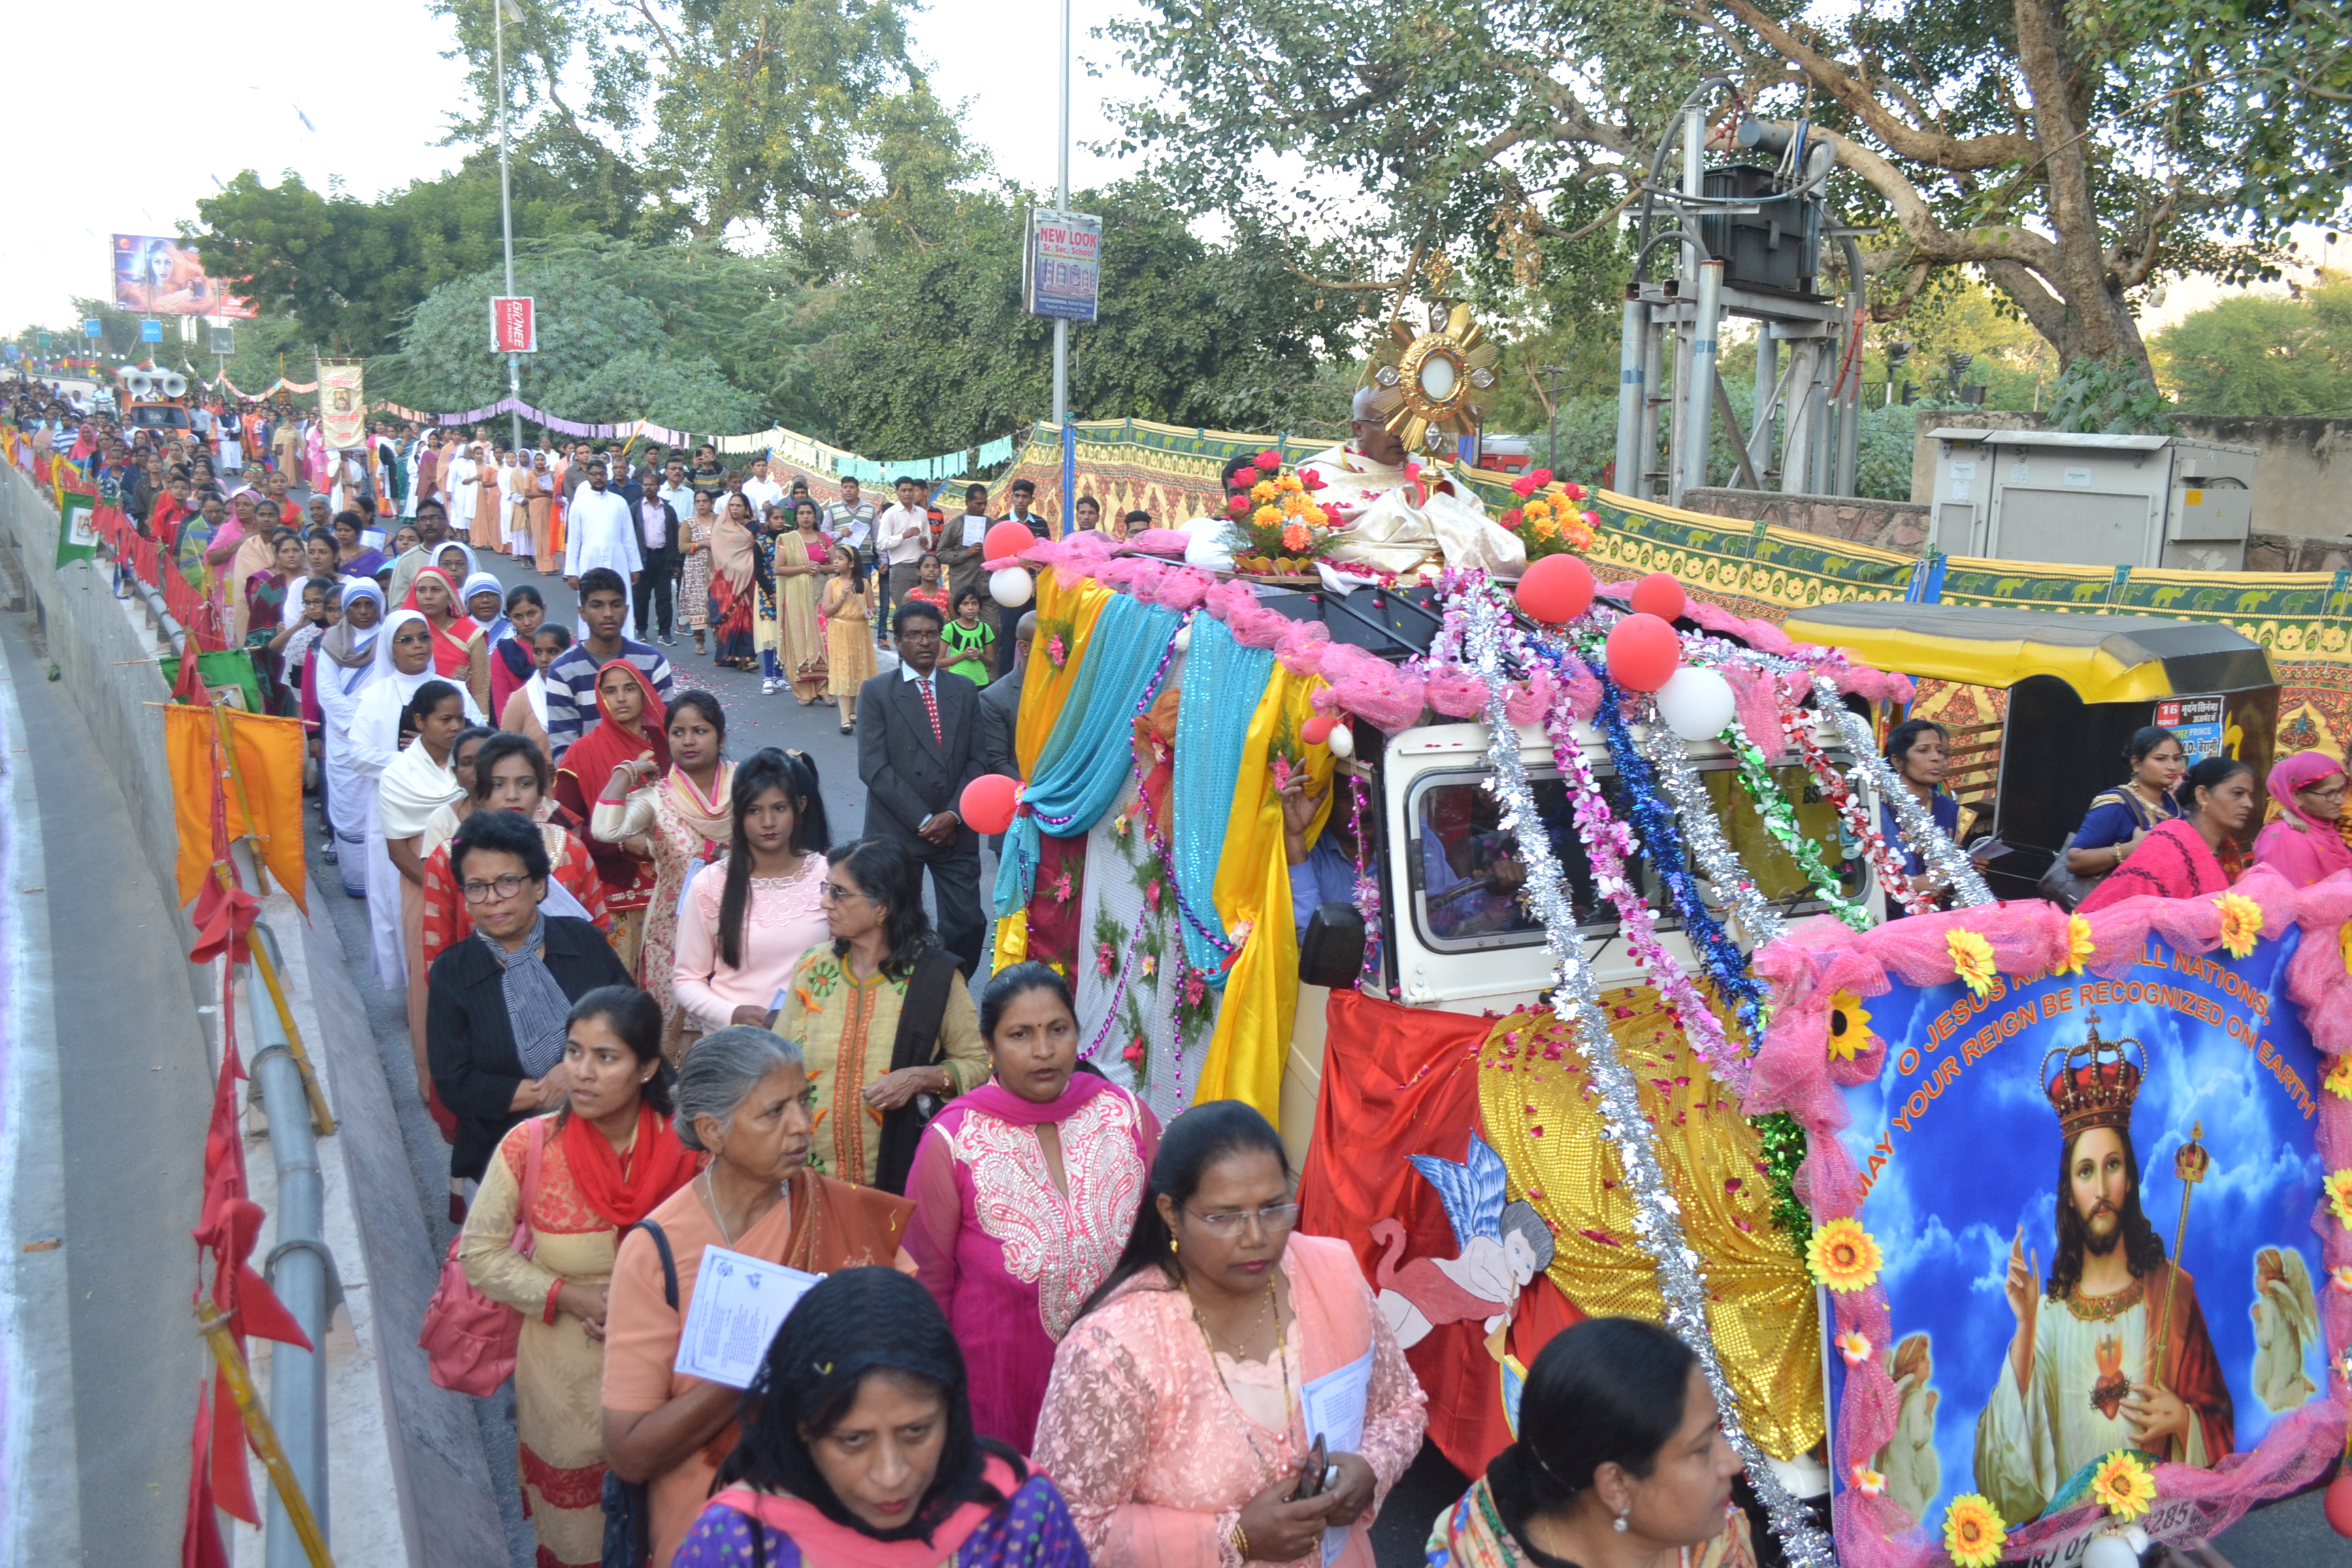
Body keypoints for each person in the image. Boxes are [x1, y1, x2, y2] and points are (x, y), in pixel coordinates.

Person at [1032, 1100, 1427, 1568]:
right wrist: (1232, 1540)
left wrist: (1370, 1468)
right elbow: (1066, 1526)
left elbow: (1402, 1405)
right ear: (1171, 1213)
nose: (1256, 1236)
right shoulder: (1115, 1349)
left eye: (1273, 1207)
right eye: (1225, 1216)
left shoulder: (1332, 1275)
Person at [600, 1028, 919, 1568]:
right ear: (712, 1132)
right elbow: (630, 1451)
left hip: (837, 1524)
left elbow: (913, 1350)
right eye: (773, 1113)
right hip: (709, 1531)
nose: (801, 1126)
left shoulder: (839, 1214)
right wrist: (762, 1366)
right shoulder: (656, 1251)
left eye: (803, 1101)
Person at [455, 985, 698, 1565]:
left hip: (672, 1378)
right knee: (579, 1538)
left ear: (646, 1069)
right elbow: (480, 1252)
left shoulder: (693, 1152)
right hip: (565, 1382)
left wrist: (649, 1305)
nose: (582, 1073)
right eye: (573, 1052)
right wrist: (569, 1296)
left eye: (605, 1057)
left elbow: (726, 1256)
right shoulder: (530, 1146)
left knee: (673, 1528)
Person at [1973, 1012, 2232, 1522]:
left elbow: (2222, 1425)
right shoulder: (2046, 1316)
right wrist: (2025, 1328)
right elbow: (2002, 1484)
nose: (2100, 1188)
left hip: (2157, 1531)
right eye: (2085, 1171)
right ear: (2069, 1193)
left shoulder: (2172, 1295)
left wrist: (2185, 1420)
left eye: (2112, 1166)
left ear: (2129, 1180)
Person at [670, 1267, 1091, 1568]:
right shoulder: (740, 1540)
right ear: (802, 1427)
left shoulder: (1017, 1517)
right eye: (853, 1440)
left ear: (953, 1412)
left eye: (917, 1431)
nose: (891, 1475)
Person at [906, 964, 1160, 1450]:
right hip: (1000, 1386)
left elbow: (1171, 1236)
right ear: (989, 1044)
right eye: (1020, 1034)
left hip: (1124, 1371)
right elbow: (927, 1280)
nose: (1044, 1051)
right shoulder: (953, 1140)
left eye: (1058, 1030)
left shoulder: (1123, 1115)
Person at [428, 810, 639, 1208]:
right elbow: (455, 1083)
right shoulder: (453, 973)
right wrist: (553, 1091)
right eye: (476, 887)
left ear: (540, 885)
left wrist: (573, 1073)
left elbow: (635, 1026)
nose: (492, 898)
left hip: (612, 1142)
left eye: (507, 882)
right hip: (505, 1157)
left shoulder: (583, 943)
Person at [1423, 1318, 1752, 1568]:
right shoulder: (1476, 1555)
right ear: (1617, 1485)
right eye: (1702, 1449)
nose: (1733, 1463)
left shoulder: (1714, 1543)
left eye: (1715, 1434)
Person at [775, 837, 990, 1190]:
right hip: (808, 1178)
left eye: (840, 893)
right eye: (826, 888)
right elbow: (776, 1060)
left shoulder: (935, 976)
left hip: (898, 1179)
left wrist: (921, 1078)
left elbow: (978, 1065)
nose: (825, 902)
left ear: (882, 907)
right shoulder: (813, 967)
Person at [590, 691, 737, 1055]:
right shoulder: (658, 797)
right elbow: (605, 830)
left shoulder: (747, 788)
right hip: (672, 938)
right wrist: (627, 772)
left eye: (700, 730)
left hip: (738, 933)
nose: (688, 741)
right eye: (677, 732)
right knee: (673, 1054)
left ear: (720, 737)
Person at [856, 603, 988, 975]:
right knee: (893, 927)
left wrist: (952, 815)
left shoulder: (963, 690)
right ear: (897, 643)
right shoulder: (877, 692)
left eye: (931, 634)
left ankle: (950, 993)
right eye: (913, 635)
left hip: (956, 829)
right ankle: (899, 999)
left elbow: (978, 761)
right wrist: (925, 819)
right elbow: (874, 768)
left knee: (967, 924)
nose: (924, 642)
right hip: (897, 828)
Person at [671, 749, 831, 1052]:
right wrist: (732, 1014)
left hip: (816, 1045)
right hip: (734, 1050)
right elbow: (686, 979)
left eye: (779, 808)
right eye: (754, 811)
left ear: (801, 808)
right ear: (738, 814)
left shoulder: (828, 877)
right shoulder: (710, 884)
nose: (768, 822)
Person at [421, 733, 610, 976]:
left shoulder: (569, 849)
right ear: (480, 792)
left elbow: (598, 930)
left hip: (570, 988)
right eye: (498, 784)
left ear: (541, 791)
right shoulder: (448, 858)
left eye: (525, 783)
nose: (512, 795)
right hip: (481, 990)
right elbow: (437, 950)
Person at [557, 662, 670, 975]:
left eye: (629, 688)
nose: (620, 698)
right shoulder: (581, 753)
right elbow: (563, 831)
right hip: (614, 891)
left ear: (644, 692)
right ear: (600, 697)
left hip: (671, 886)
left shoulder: (670, 744)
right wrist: (622, 844)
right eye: (610, 691)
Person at [2076, 756, 2257, 913]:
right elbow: (2128, 914)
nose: (2248, 803)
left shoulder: (2230, 851)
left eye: (2249, 795)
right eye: (2238, 794)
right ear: (2202, 795)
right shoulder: (2169, 843)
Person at [542, 569, 677, 754]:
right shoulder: (562, 671)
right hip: (590, 777)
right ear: (582, 612)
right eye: (597, 606)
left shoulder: (652, 662)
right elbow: (564, 749)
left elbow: (667, 732)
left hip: (652, 774)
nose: (608, 614)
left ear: (627, 610)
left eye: (615, 605)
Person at [315, 581, 389, 894]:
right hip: (345, 739)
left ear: (379, 606)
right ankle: (357, 879)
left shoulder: (389, 639)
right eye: (356, 605)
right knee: (350, 811)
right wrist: (357, 724)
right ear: (346, 608)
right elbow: (328, 692)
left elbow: (390, 685)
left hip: (379, 736)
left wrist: (371, 722)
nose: (362, 612)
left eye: (369, 605)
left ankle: (385, 881)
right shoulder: (331, 642)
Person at [2064, 727, 2187, 878]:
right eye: (2160, 759)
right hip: (2123, 899)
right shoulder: (2116, 804)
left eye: (2176, 758)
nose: (2172, 766)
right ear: (2136, 764)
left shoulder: (2176, 806)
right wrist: (2130, 849)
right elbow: (2074, 860)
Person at [1878, 718, 1961, 916]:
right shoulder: (1876, 807)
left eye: (1942, 752)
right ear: (1897, 761)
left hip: (1937, 917)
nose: (1936, 759)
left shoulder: (1948, 807)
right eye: (1923, 750)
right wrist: (1911, 883)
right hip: (1885, 918)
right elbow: (1856, 873)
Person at [563, 460, 646, 635]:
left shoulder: (619, 502)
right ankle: (588, 642)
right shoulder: (579, 504)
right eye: (594, 474)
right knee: (589, 601)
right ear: (588, 477)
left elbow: (629, 538)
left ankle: (625, 641)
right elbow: (574, 540)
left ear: (607, 477)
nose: (598, 478)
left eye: (602, 474)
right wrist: (571, 571)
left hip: (618, 561)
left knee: (620, 599)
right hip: (589, 561)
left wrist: (635, 567)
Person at [2251, 749, 2352, 887]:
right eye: (2329, 793)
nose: (2340, 801)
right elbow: (2290, 903)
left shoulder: (2325, 826)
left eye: (2342, 790)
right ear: (2295, 797)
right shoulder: (2289, 837)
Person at [778, 498, 832, 704]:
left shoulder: (824, 538)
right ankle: (805, 692)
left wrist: (821, 568)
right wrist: (804, 569)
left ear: (815, 515)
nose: (806, 517)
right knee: (800, 643)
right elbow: (779, 569)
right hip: (796, 598)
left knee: (822, 643)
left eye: (809, 513)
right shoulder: (788, 539)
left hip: (820, 596)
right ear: (796, 517)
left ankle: (824, 689)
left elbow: (834, 566)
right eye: (801, 513)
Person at [820, 544, 877, 734]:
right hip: (840, 628)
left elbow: (872, 607)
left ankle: (852, 711)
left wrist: (870, 612)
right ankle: (844, 718)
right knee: (844, 670)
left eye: (840, 559)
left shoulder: (864, 583)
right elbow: (827, 611)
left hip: (859, 629)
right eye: (835, 558)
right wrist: (843, 597)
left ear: (852, 564)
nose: (835, 562)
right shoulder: (832, 584)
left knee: (856, 667)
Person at [706, 492, 762, 676]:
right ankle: (727, 656)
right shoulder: (722, 527)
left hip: (748, 577)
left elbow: (761, 550)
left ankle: (746, 658)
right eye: (732, 505)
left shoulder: (754, 527)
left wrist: (747, 566)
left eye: (739, 506)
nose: (735, 509)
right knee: (731, 617)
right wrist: (732, 566)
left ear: (747, 508)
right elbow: (719, 551)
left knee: (746, 617)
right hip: (728, 580)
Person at [477, 583, 548, 723]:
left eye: (532, 613)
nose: (527, 622)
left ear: (544, 609)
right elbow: (502, 705)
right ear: (510, 617)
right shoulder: (503, 653)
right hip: (519, 730)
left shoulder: (563, 645)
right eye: (518, 617)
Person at [502, 625, 573, 762]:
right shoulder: (520, 699)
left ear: (568, 652)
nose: (544, 659)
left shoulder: (581, 692)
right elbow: (506, 750)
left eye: (553, 652)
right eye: (537, 652)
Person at [877, 476, 930, 642]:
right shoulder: (891, 514)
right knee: (904, 613)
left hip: (920, 569)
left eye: (911, 490)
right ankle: (903, 653)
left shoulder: (921, 513)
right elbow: (881, 543)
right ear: (897, 492)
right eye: (904, 490)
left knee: (922, 613)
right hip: (900, 568)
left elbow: (929, 543)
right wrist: (903, 536)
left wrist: (925, 542)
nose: (908, 494)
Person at [634, 473, 683, 647]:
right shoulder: (635, 508)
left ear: (658, 487)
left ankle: (665, 633)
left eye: (652, 485)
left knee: (664, 598)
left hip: (663, 557)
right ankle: (641, 630)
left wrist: (675, 562)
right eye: (645, 484)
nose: (648, 487)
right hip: (643, 557)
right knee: (641, 597)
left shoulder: (667, 510)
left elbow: (674, 536)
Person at [938, 482, 992, 611]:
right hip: (963, 587)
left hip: (987, 588)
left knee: (992, 627)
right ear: (968, 502)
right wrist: (966, 554)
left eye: (985, 503)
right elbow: (940, 554)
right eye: (979, 504)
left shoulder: (991, 525)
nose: (983, 507)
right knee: (962, 627)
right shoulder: (954, 526)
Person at [675, 479, 714, 655]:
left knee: (717, 604)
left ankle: (719, 642)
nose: (701, 504)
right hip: (695, 570)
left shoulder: (719, 520)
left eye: (704, 501)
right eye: (698, 501)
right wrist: (701, 544)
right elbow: (682, 547)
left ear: (711, 503)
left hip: (717, 568)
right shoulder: (689, 522)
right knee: (698, 604)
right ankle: (699, 642)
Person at [940, 587, 994, 689]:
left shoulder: (985, 628)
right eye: (965, 604)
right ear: (958, 608)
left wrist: (980, 655)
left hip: (981, 681)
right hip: (957, 680)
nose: (970, 608)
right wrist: (964, 655)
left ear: (980, 607)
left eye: (974, 604)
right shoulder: (950, 628)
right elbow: (939, 662)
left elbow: (991, 662)